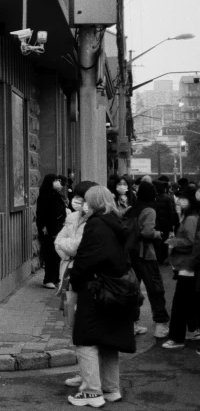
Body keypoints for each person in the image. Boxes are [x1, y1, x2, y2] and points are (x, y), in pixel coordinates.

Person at [67, 186, 135, 407]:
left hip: (95, 288)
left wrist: (74, 283)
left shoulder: (96, 224)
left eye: (86, 201)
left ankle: (91, 391)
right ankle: (110, 388)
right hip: (116, 288)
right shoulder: (115, 221)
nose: (83, 204)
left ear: (93, 202)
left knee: (85, 340)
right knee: (109, 341)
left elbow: (85, 260)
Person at [54, 180, 97, 389]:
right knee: (73, 325)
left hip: (85, 277)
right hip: (68, 274)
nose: (78, 202)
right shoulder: (72, 217)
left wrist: (67, 249)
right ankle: (84, 373)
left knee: (85, 328)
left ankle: (91, 380)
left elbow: (79, 247)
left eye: (82, 199)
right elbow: (59, 242)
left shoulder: (95, 221)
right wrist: (65, 250)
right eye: (77, 198)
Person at [125, 182, 170, 338]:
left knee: (132, 289)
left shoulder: (131, 209)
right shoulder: (149, 209)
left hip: (130, 255)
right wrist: (158, 234)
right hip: (145, 254)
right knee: (155, 289)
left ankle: (132, 324)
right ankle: (160, 325)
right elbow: (148, 232)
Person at [162, 188, 200, 349]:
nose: (179, 201)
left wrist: (174, 242)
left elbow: (193, 242)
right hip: (189, 264)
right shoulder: (189, 216)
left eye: (184, 198)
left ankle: (177, 337)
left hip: (188, 264)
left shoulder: (191, 218)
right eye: (179, 198)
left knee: (180, 302)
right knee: (190, 300)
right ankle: (192, 329)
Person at [37, 174, 68, 289]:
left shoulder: (57, 195)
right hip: (49, 229)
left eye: (57, 180)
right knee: (50, 254)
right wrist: (43, 226)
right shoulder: (45, 195)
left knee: (57, 255)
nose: (57, 182)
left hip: (58, 227)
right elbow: (41, 213)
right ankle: (48, 279)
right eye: (54, 180)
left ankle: (56, 278)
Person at [152, 180, 179, 265]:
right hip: (166, 223)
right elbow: (171, 212)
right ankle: (164, 258)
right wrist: (171, 226)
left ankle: (157, 257)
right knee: (165, 241)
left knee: (156, 241)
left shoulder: (153, 198)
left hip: (156, 223)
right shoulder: (167, 198)